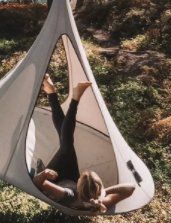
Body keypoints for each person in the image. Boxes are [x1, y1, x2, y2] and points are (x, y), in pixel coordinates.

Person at [32, 74, 135, 213]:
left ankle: (72, 98)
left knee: (66, 145)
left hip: (55, 176)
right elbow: (130, 188)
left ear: (79, 186)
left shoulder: (68, 194)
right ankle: (52, 92)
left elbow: (38, 183)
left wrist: (44, 174)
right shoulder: (100, 201)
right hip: (70, 176)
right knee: (66, 144)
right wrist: (101, 194)